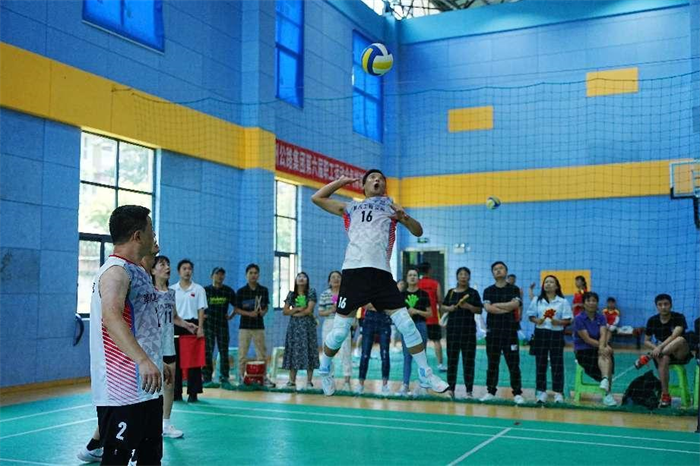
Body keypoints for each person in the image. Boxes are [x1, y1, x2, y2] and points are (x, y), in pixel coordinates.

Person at [311, 170, 448, 396]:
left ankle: (426, 373)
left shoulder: (392, 208)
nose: (377, 180)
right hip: (354, 273)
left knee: (407, 325)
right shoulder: (351, 207)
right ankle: (324, 368)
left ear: (384, 186)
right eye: (373, 178)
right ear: (364, 185)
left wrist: (404, 217)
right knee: (339, 332)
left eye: (381, 179)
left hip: (382, 275)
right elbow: (317, 198)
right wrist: (340, 182)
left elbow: (418, 231)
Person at [88, 205, 165, 465]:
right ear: (137, 236)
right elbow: (111, 317)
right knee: (117, 459)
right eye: (151, 229)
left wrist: (156, 360)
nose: (154, 235)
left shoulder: (137, 271)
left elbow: (143, 324)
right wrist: (142, 360)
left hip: (147, 387)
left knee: (150, 456)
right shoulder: (115, 272)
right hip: (122, 391)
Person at [151, 255, 197, 438]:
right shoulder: (149, 293)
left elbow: (174, 317)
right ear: (153, 270)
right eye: (162, 264)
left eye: (168, 264)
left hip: (168, 345)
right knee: (150, 387)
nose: (167, 267)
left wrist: (187, 325)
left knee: (169, 385)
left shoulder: (171, 293)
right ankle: (148, 424)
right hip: (152, 347)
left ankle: (166, 424)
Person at [480, 261, 524, 404]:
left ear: (506, 271)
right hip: (493, 333)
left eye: (501, 268)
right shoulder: (488, 290)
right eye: (495, 269)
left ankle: (517, 393)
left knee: (513, 363)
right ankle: (490, 392)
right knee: (492, 363)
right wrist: (506, 308)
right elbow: (488, 308)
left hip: (510, 332)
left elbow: (515, 304)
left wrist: (497, 305)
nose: (498, 270)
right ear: (492, 273)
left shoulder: (514, 289)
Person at [636, 294, 691, 407]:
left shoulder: (679, 317)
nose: (663, 307)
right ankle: (665, 395)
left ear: (671, 305)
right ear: (656, 306)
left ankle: (648, 357)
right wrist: (656, 348)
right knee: (663, 359)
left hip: (680, 352)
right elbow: (646, 341)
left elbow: (674, 336)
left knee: (680, 339)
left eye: (666, 304)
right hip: (663, 353)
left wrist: (659, 348)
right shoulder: (652, 320)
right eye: (660, 305)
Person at [526, 275, 572, 404]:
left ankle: (558, 393)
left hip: (556, 334)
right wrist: (537, 320)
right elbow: (530, 316)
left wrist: (558, 322)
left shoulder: (563, 301)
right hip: (540, 333)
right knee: (540, 363)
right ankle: (541, 392)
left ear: (557, 286)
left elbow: (568, 320)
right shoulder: (537, 300)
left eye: (551, 282)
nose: (548, 284)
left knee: (557, 363)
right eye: (546, 282)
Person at [441, 267, 482, 399]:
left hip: (468, 332)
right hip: (452, 332)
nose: (463, 276)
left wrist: (468, 307)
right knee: (452, 361)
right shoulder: (451, 292)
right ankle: (451, 389)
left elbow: (479, 310)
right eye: (461, 274)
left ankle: (469, 391)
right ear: (457, 277)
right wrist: (449, 308)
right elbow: (442, 306)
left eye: (465, 274)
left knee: (468, 361)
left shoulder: (473, 293)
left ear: (469, 277)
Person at [170, 259, 207, 402]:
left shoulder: (198, 289)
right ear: (179, 271)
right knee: (176, 361)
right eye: (184, 268)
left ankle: (193, 393)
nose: (187, 271)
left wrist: (200, 328)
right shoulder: (172, 290)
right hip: (176, 325)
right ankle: (176, 393)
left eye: (189, 269)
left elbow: (201, 309)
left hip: (193, 327)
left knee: (193, 362)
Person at [572, 292, 616, 407]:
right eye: (588, 300)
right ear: (584, 303)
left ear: (597, 303)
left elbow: (603, 334)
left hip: (598, 347)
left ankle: (605, 384)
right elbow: (587, 339)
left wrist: (602, 346)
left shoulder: (601, 317)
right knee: (606, 353)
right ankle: (607, 391)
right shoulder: (578, 319)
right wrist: (603, 346)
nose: (591, 303)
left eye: (594, 300)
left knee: (607, 354)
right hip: (583, 350)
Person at [235, 264, 275, 387]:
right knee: (242, 354)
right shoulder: (241, 291)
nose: (253, 275)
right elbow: (237, 309)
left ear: (258, 275)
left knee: (261, 354)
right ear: (246, 275)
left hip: (259, 327)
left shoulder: (263, 290)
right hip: (244, 327)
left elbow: (266, 306)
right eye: (250, 273)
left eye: (255, 273)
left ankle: (263, 377)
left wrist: (263, 312)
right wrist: (249, 313)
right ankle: (241, 377)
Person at [397, 268, 431, 396]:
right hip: (406, 327)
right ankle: (405, 385)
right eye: (410, 275)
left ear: (418, 278)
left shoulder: (424, 294)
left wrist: (416, 311)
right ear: (407, 278)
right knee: (407, 356)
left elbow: (430, 313)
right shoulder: (401, 295)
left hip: (420, 325)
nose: (412, 277)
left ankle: (424, 385)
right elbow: (397, 313)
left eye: (415, 275)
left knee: (422, 356)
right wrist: (407, 314)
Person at [282, 272, 319, 389]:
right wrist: (297, 309)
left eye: (304, 277)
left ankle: (309, 381)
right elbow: (285, 311)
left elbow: (309, 310)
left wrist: (295, 313)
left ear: (307, 280)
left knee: (309, 349)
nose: (301, 278)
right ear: (295, 280)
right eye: (299, 276)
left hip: (308, 327)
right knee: (294, 351)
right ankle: (291, 381)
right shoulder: (291, 294)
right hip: (294, 328)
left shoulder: (311, 292)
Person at [318, 271, 353, 391]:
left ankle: (347, 381)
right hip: (329, 324)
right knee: (327, 352)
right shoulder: (325, 294)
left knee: (346, 351)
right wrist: (331, 310)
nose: (336, 279)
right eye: (333, 277)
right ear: (329, 281)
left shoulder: (346, 294)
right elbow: (320, 312)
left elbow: (351, 310)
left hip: (343, 323)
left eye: (338, 277)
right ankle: (329, 380)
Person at [203, 267, 236, 389]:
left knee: (224, 351)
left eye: (222, 274)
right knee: (208, 352)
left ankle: (224, 377)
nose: (220, 276)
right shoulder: (205, 291)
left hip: (222, 325)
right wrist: (201, 316)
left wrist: (231, 315)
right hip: (208, 326)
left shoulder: (228, 291)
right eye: (217, 274)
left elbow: (237, 306)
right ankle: (207, 377)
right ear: (211, 276)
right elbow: (197, 306)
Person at [356, 303, 392, 396]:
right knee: (365, 354)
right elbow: (363, 303)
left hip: (384, 320)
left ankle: (385, 385)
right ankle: (360, 384)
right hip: (369, 321)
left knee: (385, 354)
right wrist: (378, 306)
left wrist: (375, 306)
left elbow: (390, 304)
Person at [418, 262, 446, 372]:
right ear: (429, 270)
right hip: (433, 318)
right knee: (437, 341)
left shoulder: (417, 284)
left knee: (420, 343)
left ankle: (422, 366)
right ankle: (440, 364)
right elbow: (440, 301)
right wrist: (442, 317)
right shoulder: (435, 284)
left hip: (420, 318)